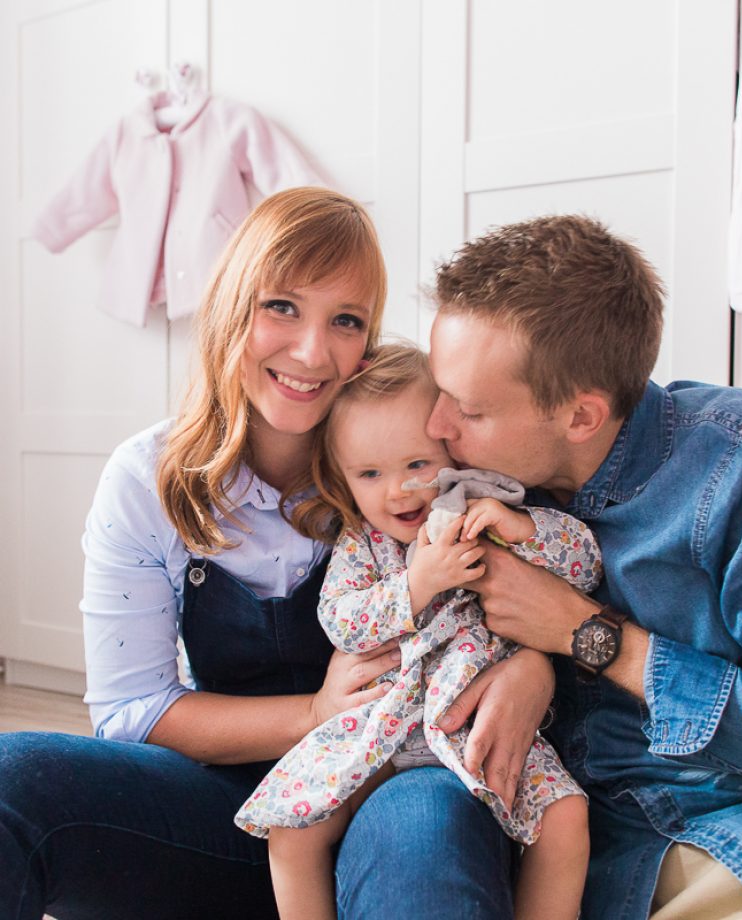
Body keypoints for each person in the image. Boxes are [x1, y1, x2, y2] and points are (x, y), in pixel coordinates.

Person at [0, 188, 542, 920]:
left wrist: (532, 669)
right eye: (281, 306)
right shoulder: (148, 479)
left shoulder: (405, 456)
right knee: (14, 779)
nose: (312, 351)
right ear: (230, 306)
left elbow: (526, 575)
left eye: (345, 321)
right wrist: (315, 711)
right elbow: (132, 711)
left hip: (395, 781)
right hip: (222, 807)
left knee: (427, 830)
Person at [424, 214, 742, 920]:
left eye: (468, 409)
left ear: (581, 416)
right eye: (436, 389)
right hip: (553, 852)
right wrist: (529, 665)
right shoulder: (469, 481)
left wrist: (589, 637)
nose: (437, 426)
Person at [235, 344, 600, 920]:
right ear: (344, 480)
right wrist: (416, 585)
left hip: (479, 731)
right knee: (292, 830)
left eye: (417, 466)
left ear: (454, 455)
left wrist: (523, 528)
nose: (398, 491)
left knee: (565, 818)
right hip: (381, 727)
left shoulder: (486, 519)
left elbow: (584, 563)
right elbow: (343, 623)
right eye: (370, 474)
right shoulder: (364, 544)